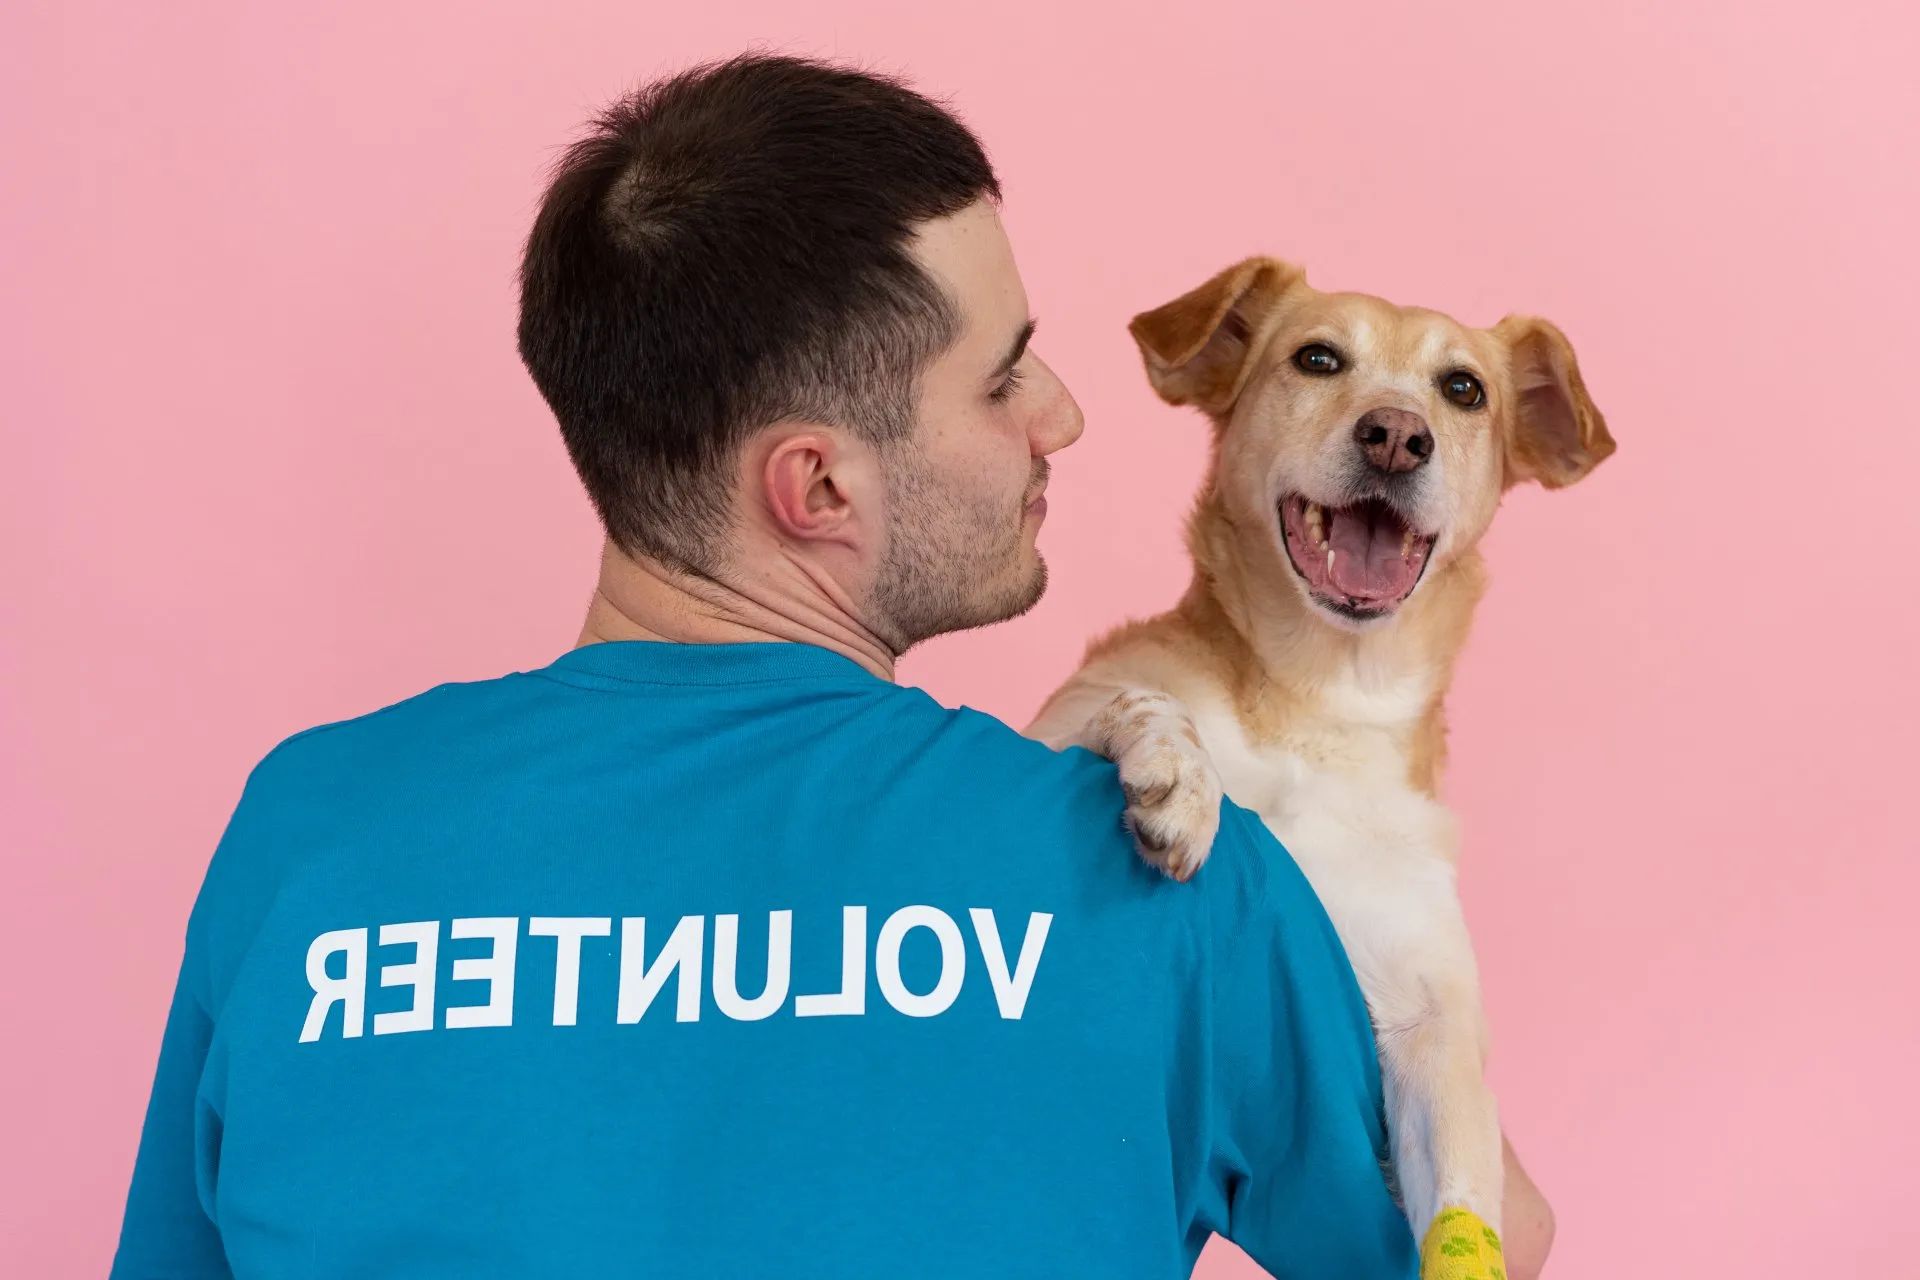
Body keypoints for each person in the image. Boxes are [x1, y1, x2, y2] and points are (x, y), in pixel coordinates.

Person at [111, 54, 1552, 1279]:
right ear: (818, 489)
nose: (1062, 417)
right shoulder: (1158, 865)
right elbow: (1488, 1231)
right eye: (1003, 378)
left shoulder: (305, 837)